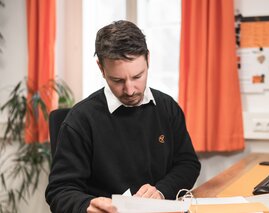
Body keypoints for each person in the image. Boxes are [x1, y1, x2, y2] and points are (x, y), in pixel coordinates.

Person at [45, 20, 201, 213]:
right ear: (101, 69)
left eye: (137, 76)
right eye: (117, 80)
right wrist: (87, 206)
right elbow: (59, 190)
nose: (129, 90)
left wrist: (161, 191)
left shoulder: (167, 108)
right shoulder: (80, 120)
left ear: (148, 60)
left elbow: (188, 164)